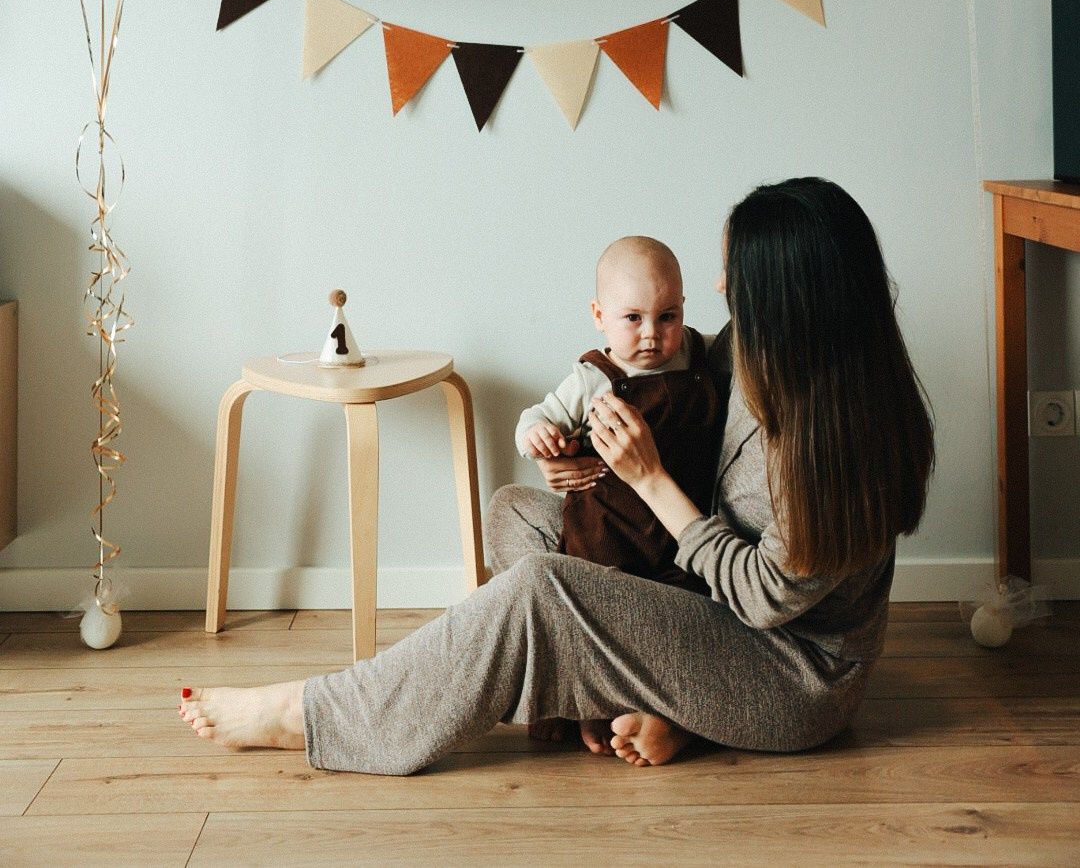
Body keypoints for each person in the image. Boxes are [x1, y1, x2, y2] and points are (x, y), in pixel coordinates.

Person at [179, 177, 935, 774]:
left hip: (787, 671)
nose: (719, 290)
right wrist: (577, 451)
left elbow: (766, 600)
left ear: (789, 305)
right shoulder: (754, 349)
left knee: (544, 587)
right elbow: (668, 371)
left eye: (734, 279)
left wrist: (649, 482)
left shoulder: (844, 443)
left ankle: (312, 714)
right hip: (701, 593)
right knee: (518, 512)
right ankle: (640, 706)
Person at [516, 234, 722, 591]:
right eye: (633, 318)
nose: (651, 334)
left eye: (667, 317)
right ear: (599, 315)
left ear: (683, 308)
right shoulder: (592, 379)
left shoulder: (701, 353)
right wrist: (538, 436)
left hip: (682, 544)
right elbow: (538, 417)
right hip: (607, 541)